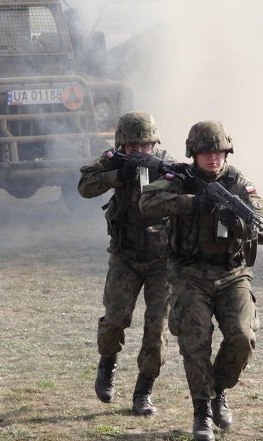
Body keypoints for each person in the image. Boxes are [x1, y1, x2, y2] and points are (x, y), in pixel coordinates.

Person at [139, 120, 263, 441]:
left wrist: (242, 223)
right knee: (195, 338)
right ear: (194, 154)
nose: (214, 159)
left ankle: (219, 392)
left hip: (231, 274)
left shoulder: (237, 182)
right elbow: (147, 203)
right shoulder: (179, 177)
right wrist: (192, 202)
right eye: (207, 153)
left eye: (220, 152)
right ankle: (202, 413)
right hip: (188, 274)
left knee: (242, 336)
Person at [77, 111, 173, 416]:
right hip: (125, 256)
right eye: (133, 147)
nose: (141, 152)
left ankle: (143, 391)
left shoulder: (166, 164)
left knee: (157, 329)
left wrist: (163, 173)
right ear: (121, 145)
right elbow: (84, 185)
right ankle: (107, 363)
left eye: (146, 146)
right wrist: (117, 175)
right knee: (115, 319)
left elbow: (192, 186)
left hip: (162, 261)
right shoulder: (112, 160)